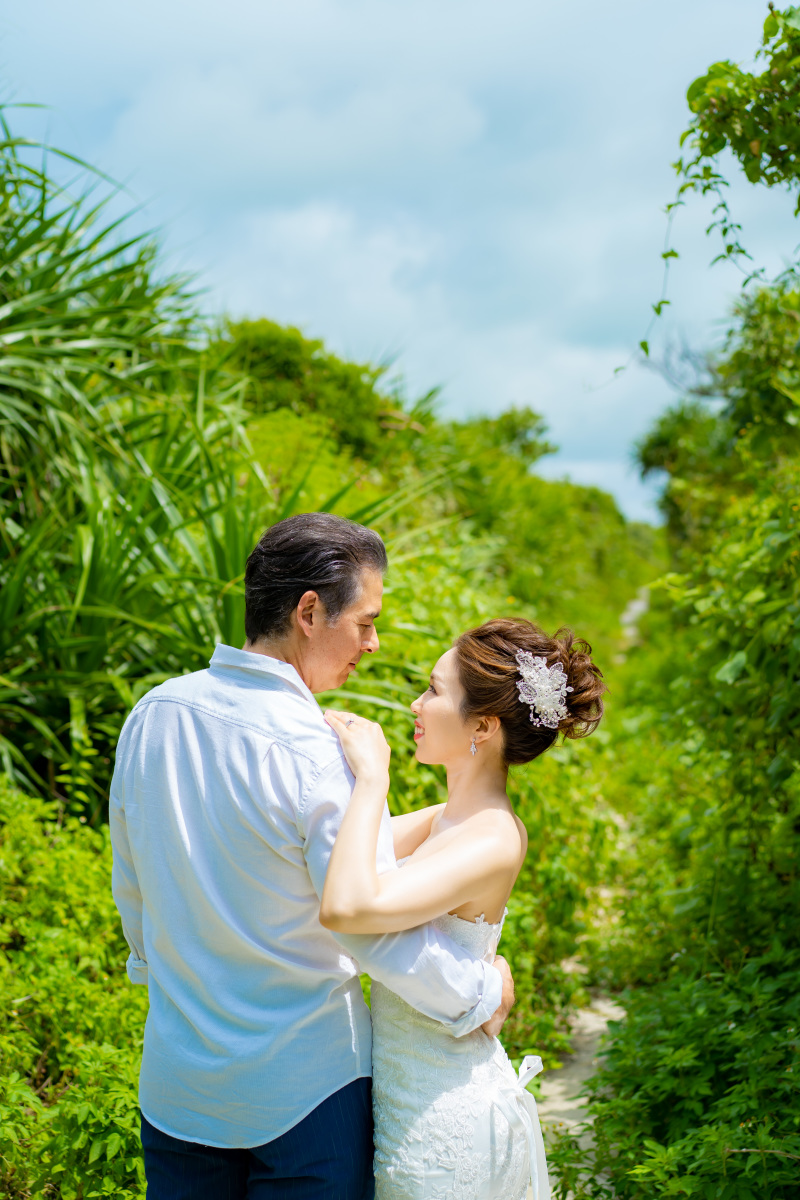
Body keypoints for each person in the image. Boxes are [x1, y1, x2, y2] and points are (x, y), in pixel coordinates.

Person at [109, 512, 514, 1200]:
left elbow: (135, 884)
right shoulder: (322, 752)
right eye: (363, 622)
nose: (373, 644)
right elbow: (367, 925)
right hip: (305, 1095)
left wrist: (175, 983)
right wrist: (480, 993)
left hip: (178, 1084)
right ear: (308, 611)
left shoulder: (154, 713)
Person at [320, 618, 606, 1200]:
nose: (415, 703)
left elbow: (351, 906)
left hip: (444, 1123)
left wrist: (374, 779)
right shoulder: (443, 818)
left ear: (483, 724)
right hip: (407, 1104)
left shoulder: (493, 836)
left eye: (432, 690)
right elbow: (328, 865)